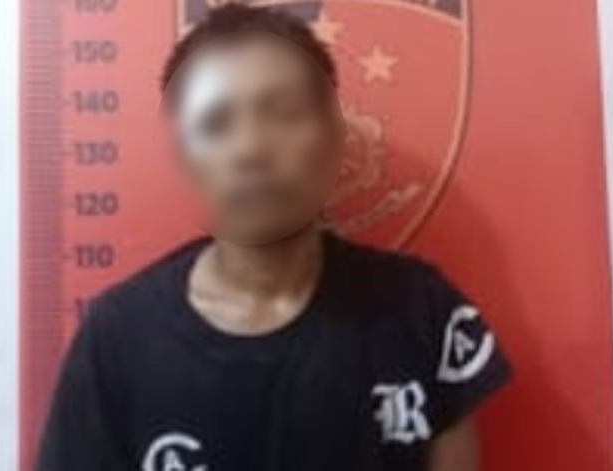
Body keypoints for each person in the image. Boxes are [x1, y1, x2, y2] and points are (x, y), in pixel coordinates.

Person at [35, 4, 511, 471]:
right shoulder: (118, 338)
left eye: (284, 113)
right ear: (183, 156)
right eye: (214, 124)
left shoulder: (420, 309)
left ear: (336, 139)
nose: (251, 149)